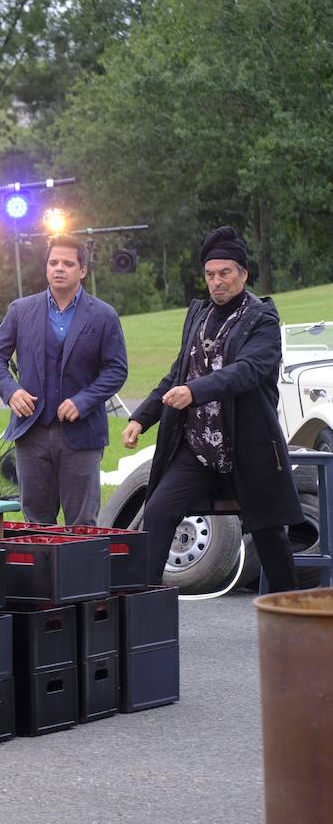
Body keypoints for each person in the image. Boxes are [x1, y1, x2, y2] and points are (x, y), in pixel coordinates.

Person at [123, 226, 300, 590]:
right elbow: (178, 374)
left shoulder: (262, 319)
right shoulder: (199, 315)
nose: (216, 282)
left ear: (243, 274)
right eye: (210, 274)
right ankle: (142, 611)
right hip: (198, 448)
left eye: (225, 273)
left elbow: (247, 372)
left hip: (250, 446)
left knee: (269, 535)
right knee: (157, 511)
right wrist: (142, 418)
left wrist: (195, 390)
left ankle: (291, 616)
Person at [0, 233, 129, 525]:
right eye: (53, 262)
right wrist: (11, 392)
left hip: (82, 436)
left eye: (68, 263)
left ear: (83, 271)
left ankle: (79, 573)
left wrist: (83, 401)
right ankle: (41, 573)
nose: (59, 268)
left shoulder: (103, 315)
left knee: (83, 525)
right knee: (36, 524)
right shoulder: (20, 311)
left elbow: (116, 369)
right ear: (46, 268)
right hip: (31, 433)